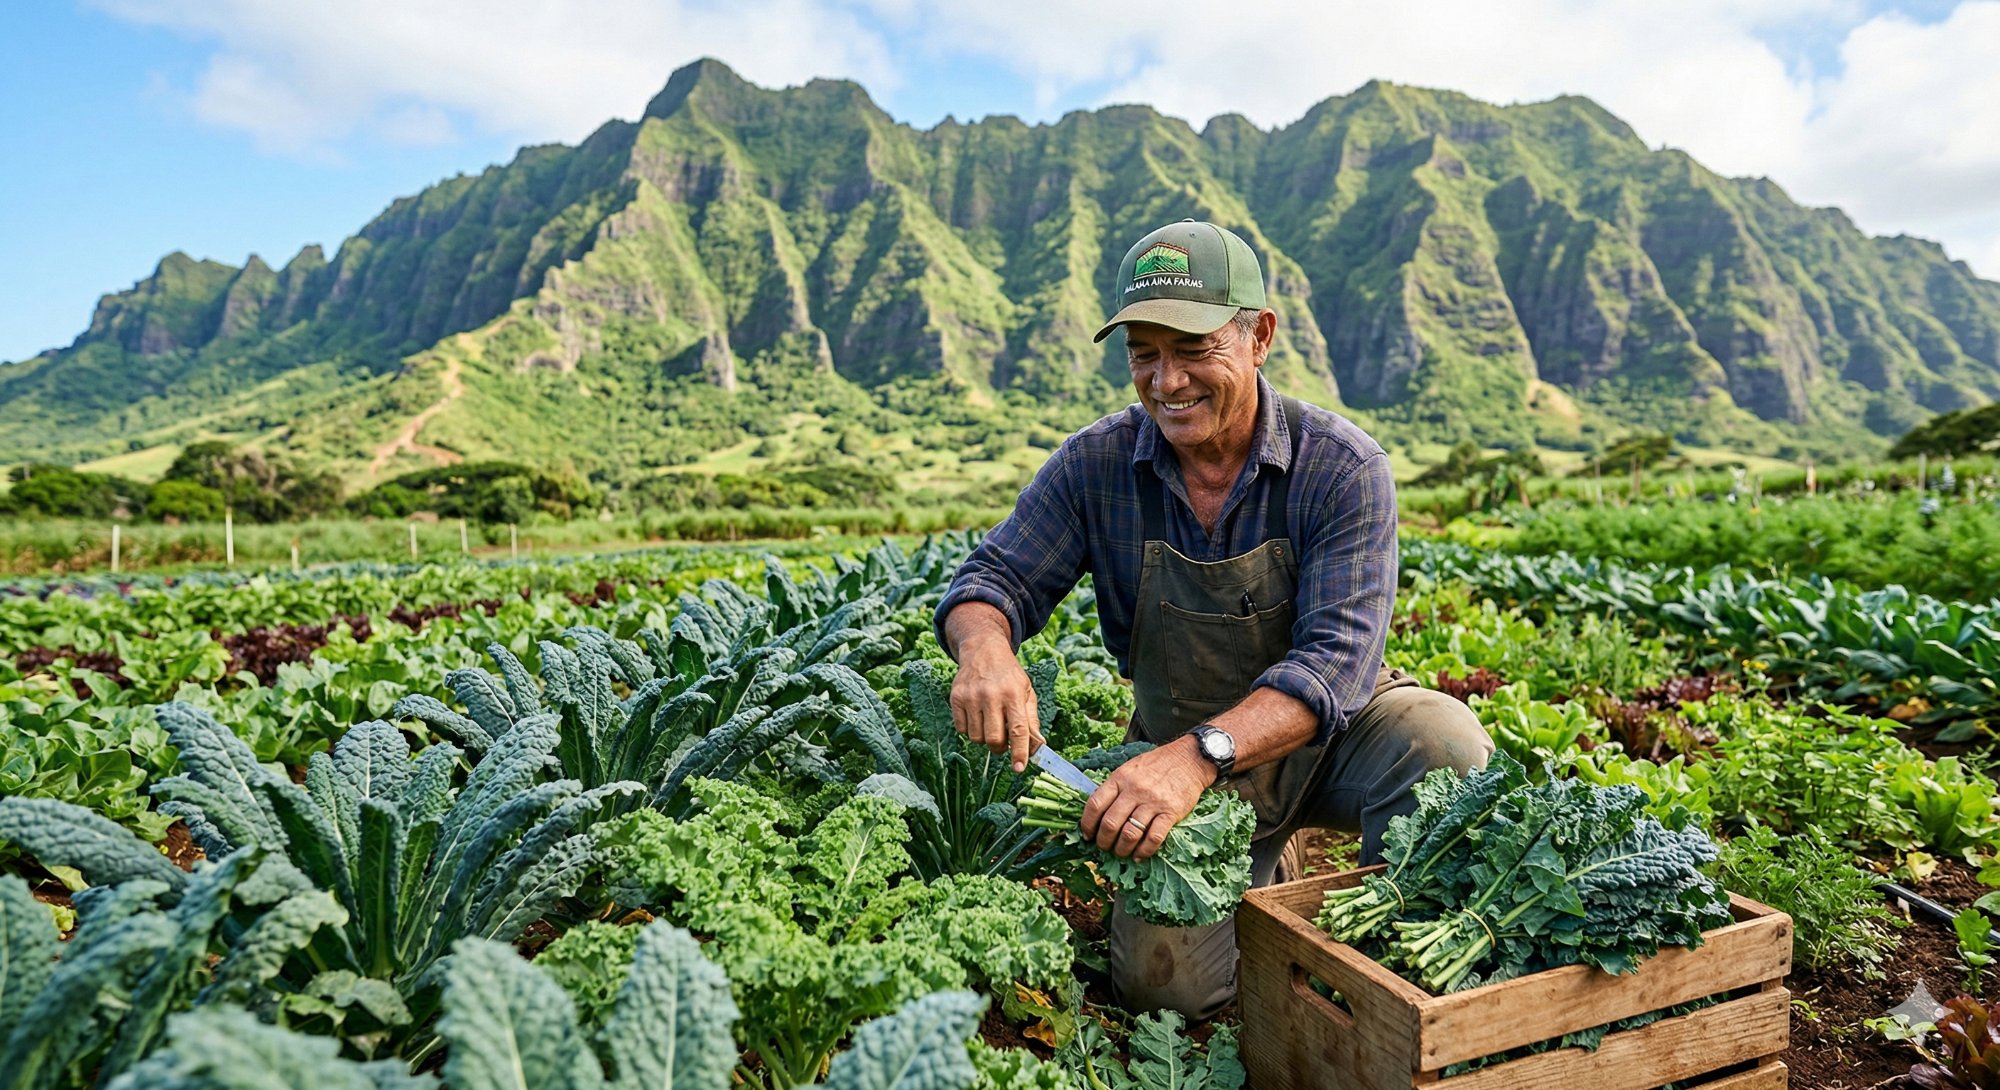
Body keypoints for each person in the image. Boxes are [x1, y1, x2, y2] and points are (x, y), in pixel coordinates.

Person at [933, 219, 1492, 1018]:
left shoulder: (1341, 466)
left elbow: (1333, 666)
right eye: (1145, 354)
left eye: (1194, 349)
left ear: (1259, 336)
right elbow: (994, 577)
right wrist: (985, 647)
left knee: (1447, 746)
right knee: (1171, 999)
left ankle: (1397, 980)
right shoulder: (1097, 464)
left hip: (1331, 738)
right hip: (1190, 776)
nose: (1167, 381)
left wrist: (1194, 758)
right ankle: (1266, 863)